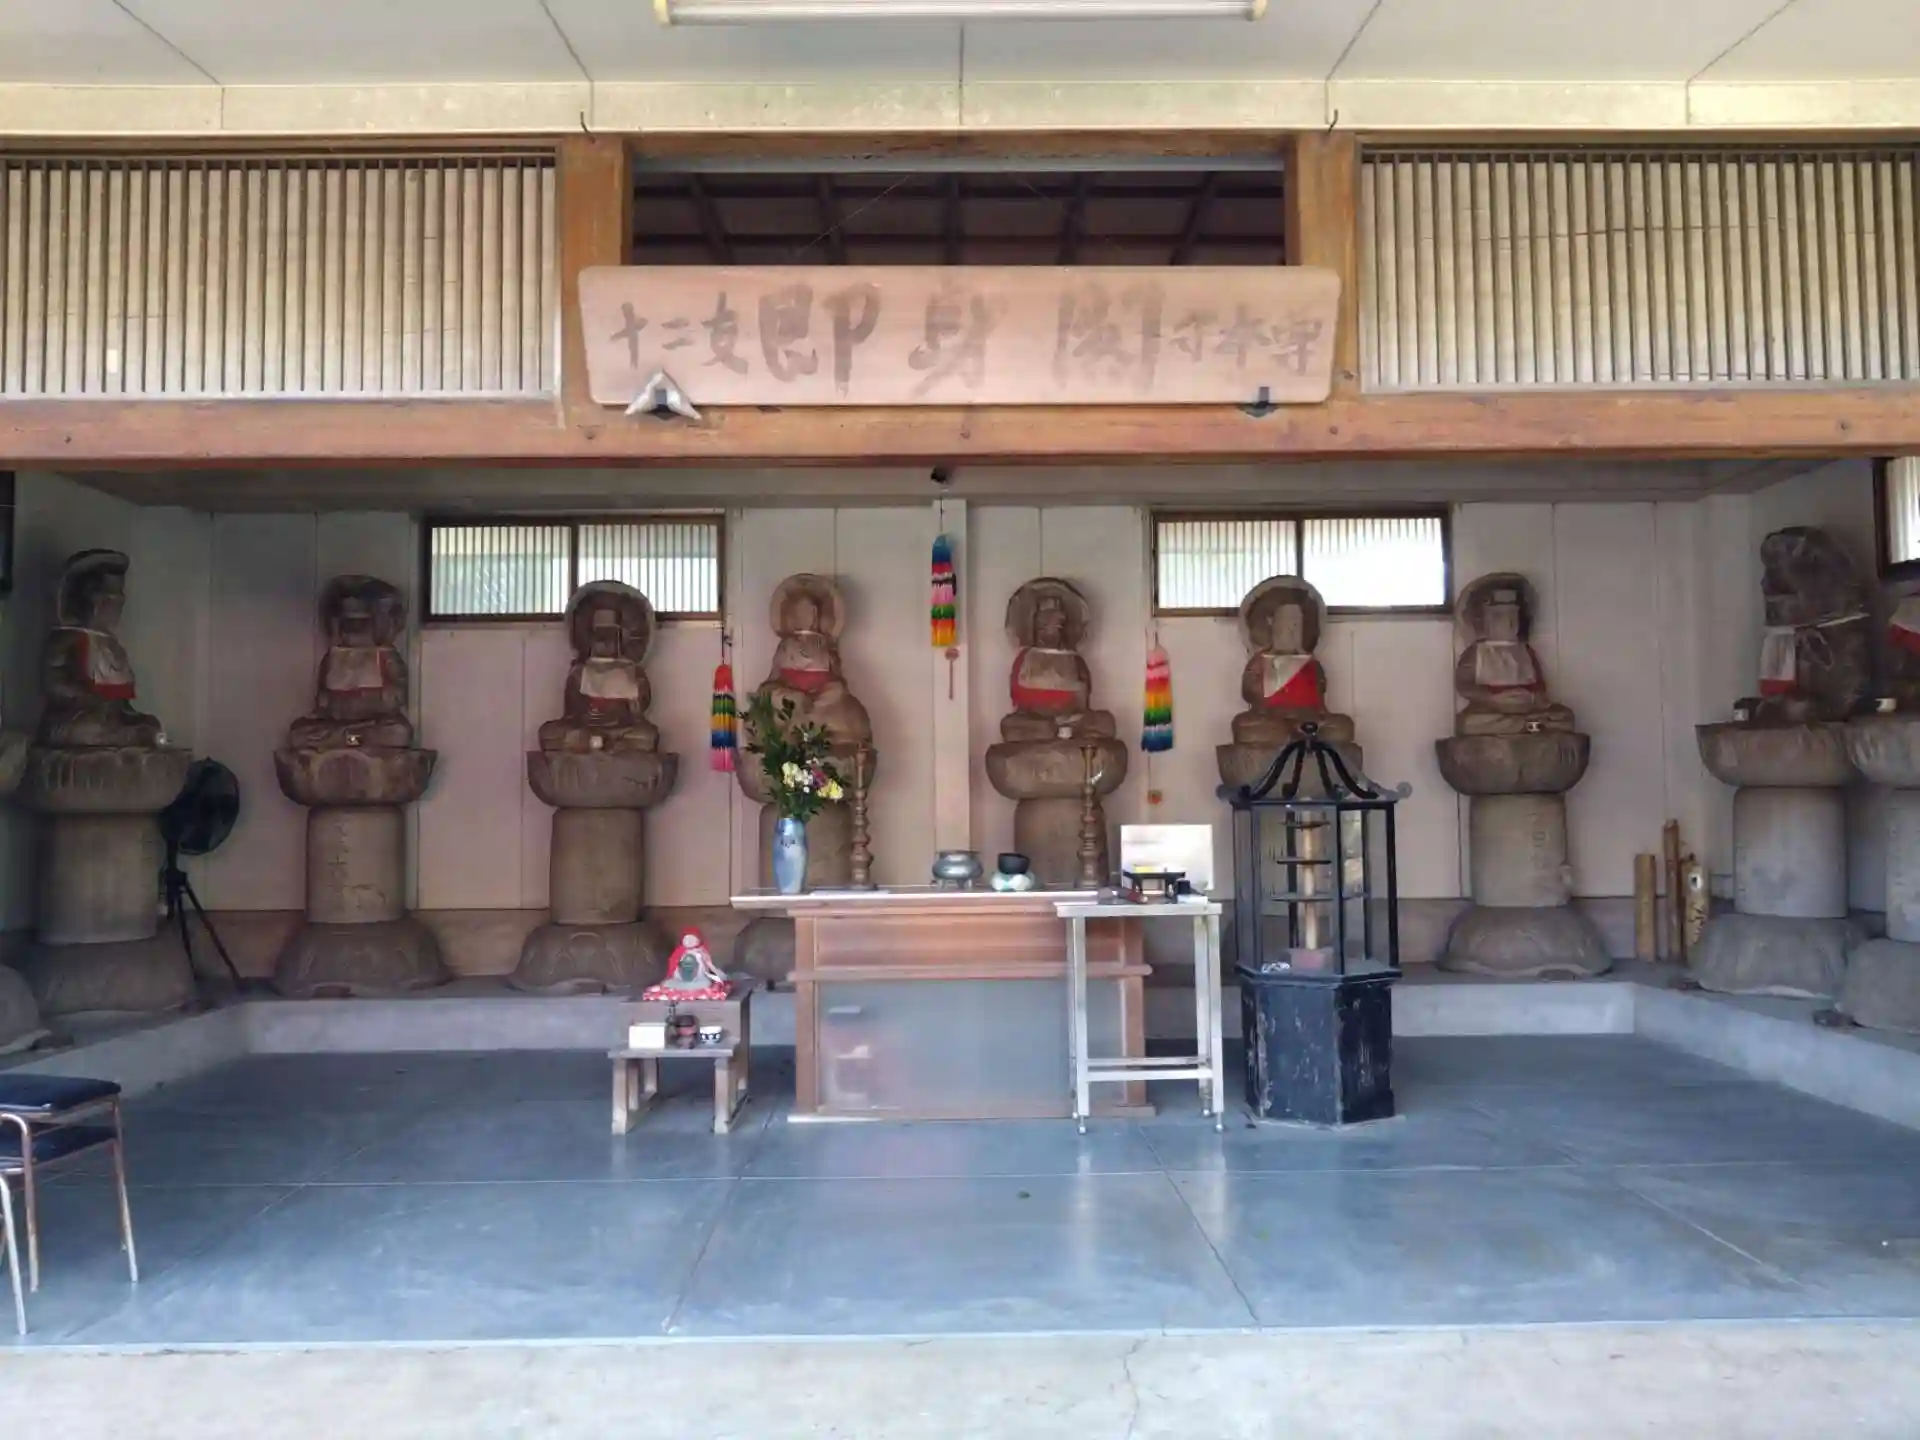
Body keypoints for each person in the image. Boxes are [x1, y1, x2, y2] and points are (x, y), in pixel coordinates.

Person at [38, 549, 165, 748]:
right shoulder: (66, 638)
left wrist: (127, 712)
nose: (116, 605)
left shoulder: (113, 646)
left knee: (152, 725)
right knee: (82, 730)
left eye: (119, 598)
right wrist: (85, 697)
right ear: (86, 599)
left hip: (109, 719)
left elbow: (121, 701)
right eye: (108, 598)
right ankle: (121, 738)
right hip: (77, 715)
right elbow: (53, 683)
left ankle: (124, 736)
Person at [286, 576, 414, 750]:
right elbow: (322, 700)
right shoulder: (332, 657)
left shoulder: (386, 656)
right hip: (338, 725)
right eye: (348, 623)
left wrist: (368, 700)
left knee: (399, 732)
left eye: (361, 623)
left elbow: (398, 696)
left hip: (373, 723)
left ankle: (353, 739)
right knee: (299, 734)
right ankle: (347, 739)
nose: (354, 629)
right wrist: (329, 706)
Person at [1229, 577, 1354, 747]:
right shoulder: (1259, 662)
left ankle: (1299, 735)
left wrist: (1321, 715)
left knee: (1343, 726)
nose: (1293, 627)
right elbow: (1248, 693)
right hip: (1270, 719)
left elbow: (1320, 701)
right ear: (1271, 622)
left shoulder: (1313, 665)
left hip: (1310, 720)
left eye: (1298, 622)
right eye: (1287, 620)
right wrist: (1272, 677)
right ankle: (1287, 735)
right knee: (1243, 725)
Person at [538, 583, 660, 754]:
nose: (604, 640)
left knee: (647, 736)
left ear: (622, 637)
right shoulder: (580, 672)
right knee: (549, 733)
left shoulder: (633, 672)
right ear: (589, 636)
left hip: (620, 730)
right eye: (599, 634)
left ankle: (606, 745)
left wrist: (633, 690)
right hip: (586, 729)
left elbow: (638, 714)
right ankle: (599, 744)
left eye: (610, 633)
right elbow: (571, 714)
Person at [1453, 576, 1575, 736]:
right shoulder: (1476, 652)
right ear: (1481, 620)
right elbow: (1464, 685)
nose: (1508, 622)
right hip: (1493, 708)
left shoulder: (1525, 650)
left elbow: (1540, 685)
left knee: (1564, 717)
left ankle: (1527, 724)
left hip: (1527, 708)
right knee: (1471, 723)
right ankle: (1528, 726)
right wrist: (1492, 698)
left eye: (1513, 615)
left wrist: (1534, 697)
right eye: (1498, 616)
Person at [999, 579, 1117, 742]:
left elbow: (1083, 703)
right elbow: (1018, 698)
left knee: (1105, 722)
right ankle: (1049, 732)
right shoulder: (1025, 659)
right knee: (1010, 725)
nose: (1059, 619)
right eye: (1049, 616)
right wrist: (1043, 708)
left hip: (1072, 723)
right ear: (1035, 622)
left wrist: (1069, 709)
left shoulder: (1076, 660)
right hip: (1036, 723)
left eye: (1061, 616)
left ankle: (1058, 733)